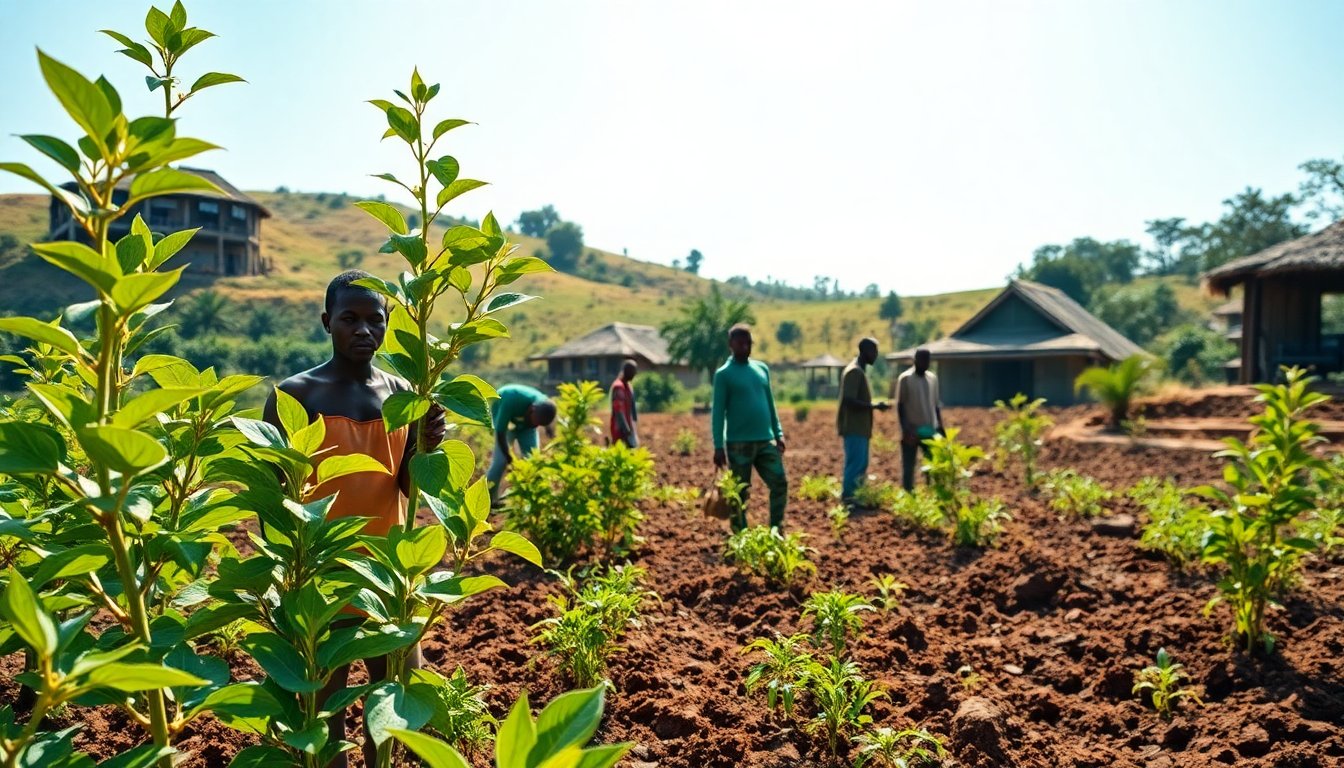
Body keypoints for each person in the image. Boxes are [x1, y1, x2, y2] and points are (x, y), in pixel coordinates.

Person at [263, 269, 446, 768]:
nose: (363, 330)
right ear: (327, 322)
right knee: (325, 716)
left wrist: (428, 447)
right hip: (321, 578)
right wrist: (283, 577)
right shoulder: (295, 395)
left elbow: (407, 484)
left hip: (388, 574)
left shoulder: (404, 392)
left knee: (394, 707)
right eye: (350, 318)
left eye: (375, 319)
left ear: (388, 324)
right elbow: (272, 495)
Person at [711, 323, 788, 531]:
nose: (745, 347)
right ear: (730, 345)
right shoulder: (724, 374)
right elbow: (717, 413)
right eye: (740, 343)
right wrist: (718, 446)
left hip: (765, 440)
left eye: (748, 343)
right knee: (739, 493)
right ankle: (740, 535)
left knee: (780, 483)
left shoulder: (761, 368)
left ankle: (776, 529)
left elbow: (770, 403)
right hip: (738, 444)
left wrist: (778, 432)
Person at [837, 338, 890, 505]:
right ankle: (850, 498)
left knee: (860, 464)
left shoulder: (859, 370)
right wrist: (873, 406)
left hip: (860, 428)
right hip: (854, 427)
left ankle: (856, 497)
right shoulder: (854, 371)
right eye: (874, 351)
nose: (876, 354)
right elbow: (849, 400)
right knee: (855, 465)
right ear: (865, 351)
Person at [486, 383, 557, 505]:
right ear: (531, 410)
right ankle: (488, 499)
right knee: (500, 462)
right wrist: (508, 456)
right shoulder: (509, 401)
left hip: (525, 421)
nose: (536, 426)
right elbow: (501, 431)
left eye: (538, 425)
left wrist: (549, 429)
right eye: (536, 423)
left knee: (532, 460)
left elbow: (548, 413)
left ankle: (527, 499)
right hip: (503, 412)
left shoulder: (543, 406)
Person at [896, 347, 944, 492]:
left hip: (930, 429)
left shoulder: (932, 378)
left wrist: (941, 428)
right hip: (912, 429)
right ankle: (908, 495)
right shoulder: (905, 378)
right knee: (909, 467)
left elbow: (935, 405)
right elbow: (901, 406)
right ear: (915, 360)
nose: (925, 363)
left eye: (927, 360)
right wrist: (906, 429)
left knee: (932, 465)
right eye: (922, 359)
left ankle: (932, 494)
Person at [609, 359, 639, 447]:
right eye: (633, 371)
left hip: (628, 428)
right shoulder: (619, 387)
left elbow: (632, 410)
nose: (635, 374)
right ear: (627, 371)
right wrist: (626, 431)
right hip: (620, 430)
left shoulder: (628, 386)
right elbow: (619, 411)